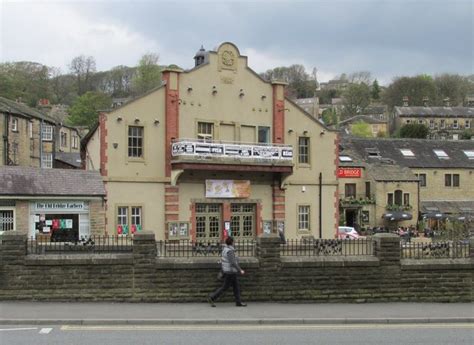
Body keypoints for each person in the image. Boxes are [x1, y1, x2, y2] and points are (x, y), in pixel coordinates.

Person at [208, 236, 247, 307]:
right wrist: (240, 270)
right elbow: (233, 262)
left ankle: (238, 302)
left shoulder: (225, 249)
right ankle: (212, 297)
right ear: (232, 242)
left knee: (236, 287)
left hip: (229, 271)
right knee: (225, 287)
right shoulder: (230, 251)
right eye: (234, 241)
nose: (234, 243)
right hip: (230, 271)